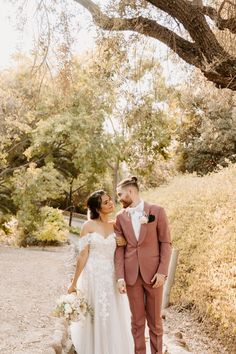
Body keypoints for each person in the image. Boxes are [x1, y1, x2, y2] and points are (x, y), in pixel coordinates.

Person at [68, 190, 133, 354]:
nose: (111, 203)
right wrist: (74, 283)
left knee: (113, 312)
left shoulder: (116, 224)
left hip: (112, 275)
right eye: (106, 202)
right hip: (92, 275)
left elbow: (129, 247)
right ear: (97, 209)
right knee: (94, 313)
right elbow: (83, 255)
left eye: (110, 200)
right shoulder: (87, 226)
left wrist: (124, 242)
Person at [114, 176, 172, 354]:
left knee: (155, 321)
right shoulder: (120, 217)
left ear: (130, 192)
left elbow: (166, 243)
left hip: (154, 275)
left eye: (120, 194)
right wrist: (120, 277)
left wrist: (162, 271)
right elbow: (120, 249)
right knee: (137, 321)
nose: (118, 198)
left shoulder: (157, 211)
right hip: (132, 276)